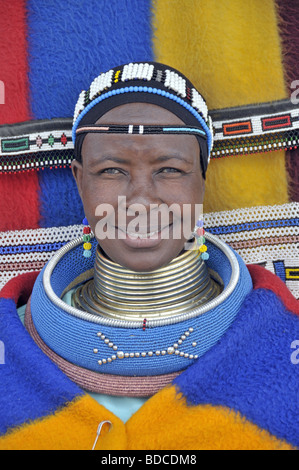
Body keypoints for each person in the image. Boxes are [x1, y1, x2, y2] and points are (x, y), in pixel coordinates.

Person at [0, 62, 298, 451]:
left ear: (202, 180)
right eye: (110, 170)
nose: (140, 199)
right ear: (79, 179)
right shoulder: (15, 344)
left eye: (170, 169)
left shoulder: (279, 342)